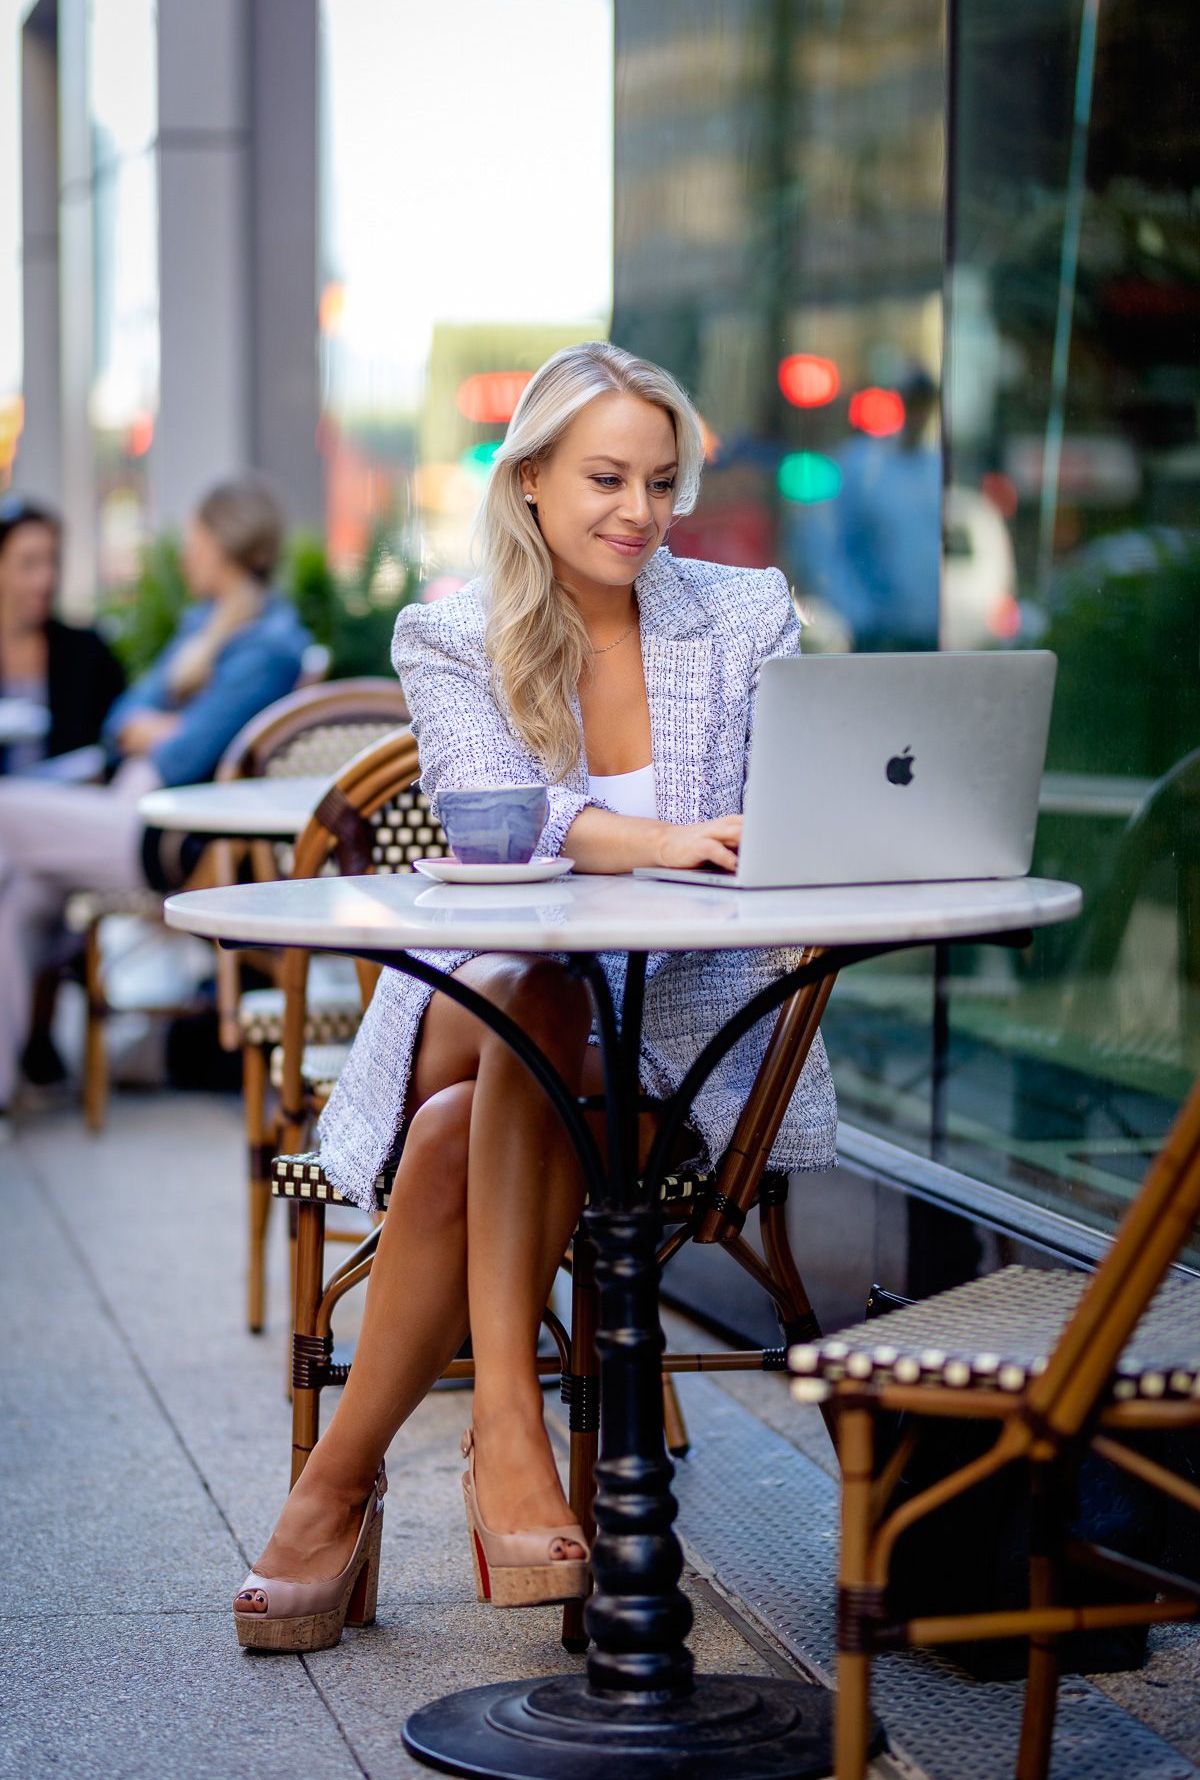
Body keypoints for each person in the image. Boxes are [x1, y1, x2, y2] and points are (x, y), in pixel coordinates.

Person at [233, 343, 837, 1650]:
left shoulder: (740, 618)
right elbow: (483, 815)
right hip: (487, 1001)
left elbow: (801, 807)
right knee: (541, 983)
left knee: (465, 1123)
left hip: (677, 1036)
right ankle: (504, 1423)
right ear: (531, 486)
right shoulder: (453, 633)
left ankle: (335, 1488)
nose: (639, 512)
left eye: (662, 483)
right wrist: (658, 842)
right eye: (608, 478)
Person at [0, 474, 310, 1122]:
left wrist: (165, 731)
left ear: (222, 545)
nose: (184, 553)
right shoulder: (204, 626)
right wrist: (166, 726)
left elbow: (182, 754)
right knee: (19, 896)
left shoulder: (269, 645)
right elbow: (123, 718)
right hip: (127, 814)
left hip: (167, 835)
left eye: (195, 539)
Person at [794, 366, 941, 651]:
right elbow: (825, 541)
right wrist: (855, 613)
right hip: (877, 634)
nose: (918, 414)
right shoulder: (862, 466)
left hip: (926, 631)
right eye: (912, 403)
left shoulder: (933, 469)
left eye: (924, 404)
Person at [0, 497, 125, 776]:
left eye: (52, 561)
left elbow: (117, 734)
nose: (45, 579)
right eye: (29, 564)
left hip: (69, 801)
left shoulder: (87, 652)